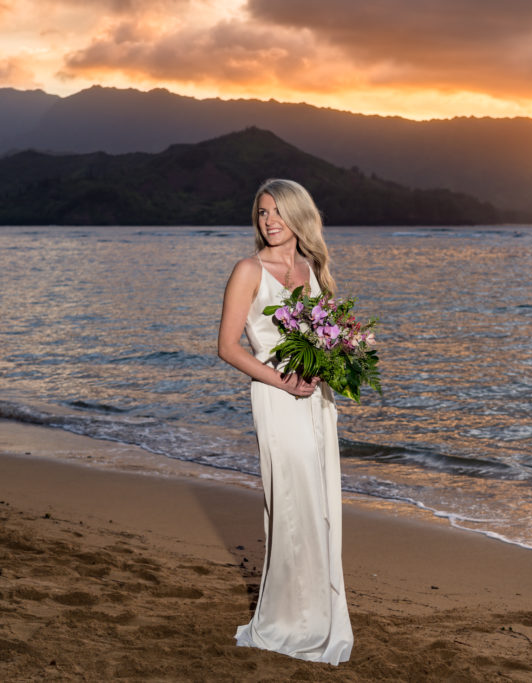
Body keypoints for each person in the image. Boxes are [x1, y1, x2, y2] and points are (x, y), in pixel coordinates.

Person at [216, 179, 353, 665]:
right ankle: (288, 621)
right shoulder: (249, 270)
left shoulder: (312, 268)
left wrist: (339, 357)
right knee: (291, 504)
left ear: (299, 217)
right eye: (261, 213)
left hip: (317, 401)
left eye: (277, 212)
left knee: (319, 503)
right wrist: (281, 381)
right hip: (276, 399)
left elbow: (325, 334)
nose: (269, 221)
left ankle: (319, 614)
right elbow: (228, 347)